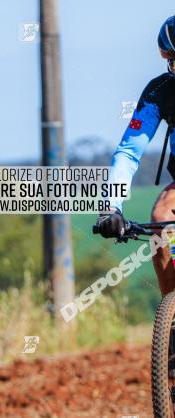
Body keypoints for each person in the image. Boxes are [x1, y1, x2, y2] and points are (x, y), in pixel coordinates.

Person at [96, 15, 175, 294]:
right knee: (161, 218)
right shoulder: (160, 91)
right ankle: (174, 316)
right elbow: (129, 152)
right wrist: (111, 206)